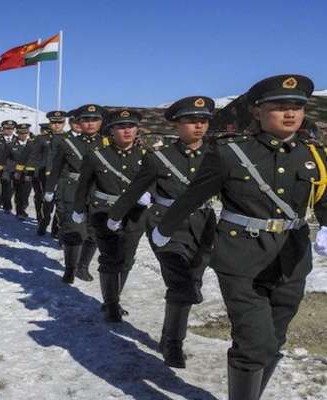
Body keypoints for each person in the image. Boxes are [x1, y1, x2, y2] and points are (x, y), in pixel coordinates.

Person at [152, 75, 325, 400]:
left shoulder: (313, 155)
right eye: (280, 107)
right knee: (253, 342)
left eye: (297, 107)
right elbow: (193, 196)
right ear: (257, 112)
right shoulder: (230, 153)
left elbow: (325, 202)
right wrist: (164, 229)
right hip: (241, 258)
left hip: (292, 258)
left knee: (274, 340)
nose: (290, 114)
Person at [108, 96, 217, 368]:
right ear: (177, 125)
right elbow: (135, 188)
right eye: (191, 121)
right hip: (166, 224)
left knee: (193, 281)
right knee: (180, 281)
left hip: (204, 225)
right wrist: (115, 215)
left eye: (203, 121)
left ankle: (169, 333)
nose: (198, 126)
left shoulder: (218, 156)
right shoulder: (160, 158)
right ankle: (173, 344)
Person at [72, 109, 150, 321]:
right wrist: (79, 209)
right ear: (111, 131)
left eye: (131, 126)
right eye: (121, 126)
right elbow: (83, 186)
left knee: (127, 258)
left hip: (136, 215)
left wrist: (149, 195)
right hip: (103, 213)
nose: (127, 131)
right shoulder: (96, 156)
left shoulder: (148, 156)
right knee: (109, 258)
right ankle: (111, 304)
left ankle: (116, 296)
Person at [44, 105, 107, 283]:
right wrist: (50, 188)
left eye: (94, 120)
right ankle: (70, 268)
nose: (90, 124)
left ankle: (83, 267)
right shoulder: (67, 143)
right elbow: (56, 167)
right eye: (86, 120)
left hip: (98, 191)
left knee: (94, 232)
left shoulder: (107, 143)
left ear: (101, 122)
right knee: (73, 231)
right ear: (79, 122)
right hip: (72, 190)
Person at [30, 111, 65, 236]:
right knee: (47, 203)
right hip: (45, 175)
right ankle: (43, 223)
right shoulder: (41, 139)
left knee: (61, 204)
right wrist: (32, 172)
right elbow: (34, 156)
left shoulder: (69, 138)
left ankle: (56, 229)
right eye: (53, 122)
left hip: (63, 176)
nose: (56, 125)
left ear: (64, 123)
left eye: (59, 122)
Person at [0, 123, 34, 219]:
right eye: (21, 133)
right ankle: (20, 211)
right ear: (17, 133)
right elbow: (2, 158)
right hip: (14, 172)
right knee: (18, 192)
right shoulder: (10, 145)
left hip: (29, 172)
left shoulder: (33, 144)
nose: (24, 135)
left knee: (26, 192)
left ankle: (22, 207)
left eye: (26, 133)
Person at [0, 120, 18, 213]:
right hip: (3, 168)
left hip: (16, 168)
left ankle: (16, 205)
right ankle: (7, 206)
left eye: (11, 129)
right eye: (7, 128)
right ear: (3, 129)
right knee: (6, 186)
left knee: (15, 188)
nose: (9, 130)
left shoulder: (18, 139)